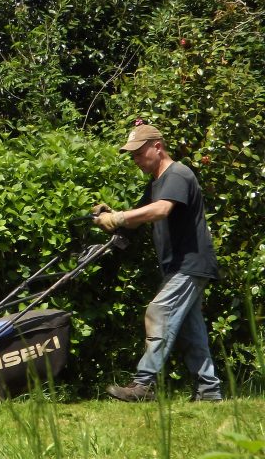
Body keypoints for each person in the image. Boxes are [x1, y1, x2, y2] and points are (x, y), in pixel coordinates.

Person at [93, 121, 223, 402]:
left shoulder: (177, 174)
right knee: (190, 330)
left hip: (189, 263)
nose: (136, 160)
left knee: (159, 313)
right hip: (180, 266)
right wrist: (110, 216)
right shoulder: (156, 183)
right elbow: (139, 216)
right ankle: (209, 390)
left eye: (139, 154)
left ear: (158, 147)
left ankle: (143, 385)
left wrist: (120, 217)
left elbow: (161, 210)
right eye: (133, 156)